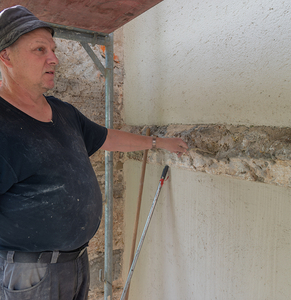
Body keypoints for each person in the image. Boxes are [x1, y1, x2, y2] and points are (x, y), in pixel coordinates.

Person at [0, 5, 188, 300]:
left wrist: (158, 143)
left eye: (53, 48)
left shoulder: (62, 112)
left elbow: (105, 138)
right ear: (5, 57)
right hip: (30, 274)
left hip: (75, 263)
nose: (54, 58)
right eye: (39, 50)